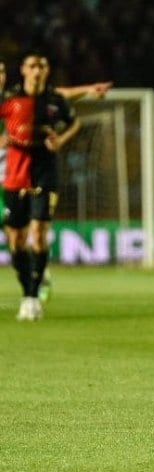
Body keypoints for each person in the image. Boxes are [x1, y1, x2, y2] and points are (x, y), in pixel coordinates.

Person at [1, 52, 85, 321]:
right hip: (14, 173)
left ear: (46, 71)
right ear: (24, 70)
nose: (37, 70)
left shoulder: (54, 100)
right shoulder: (10, 98)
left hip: (45, 172)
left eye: (42, 66)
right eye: (32, 66)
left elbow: (75, 123)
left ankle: (32, 296)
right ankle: (29, 289)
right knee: (16, 239)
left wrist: (60, 140)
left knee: (38, 233)